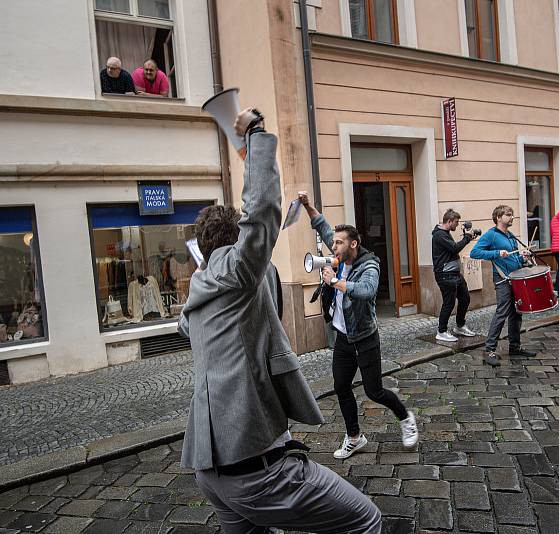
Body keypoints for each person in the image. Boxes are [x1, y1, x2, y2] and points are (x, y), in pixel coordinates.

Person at [180, 109, 381, 533]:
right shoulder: (237, 272)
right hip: (256, 468)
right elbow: (262, 212)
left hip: (210, 470)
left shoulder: (197, 297)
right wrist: (256, 137)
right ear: (237, 246)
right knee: (366, 519)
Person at [299, 191, 418, 460]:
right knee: (341, 386)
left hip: (365, 337)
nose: (333, 245)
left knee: (374, 391)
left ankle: (405, 417)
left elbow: (366, 290)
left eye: (339, 242)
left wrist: (335, 282)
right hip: (343, 337)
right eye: (334, 242)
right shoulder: (339, 255)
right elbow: (322, 225)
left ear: (353, 244)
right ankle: (354, 437)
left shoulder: (370, 265)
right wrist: (308, 206)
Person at [470, 204, 537, 367]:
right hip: (502, 280)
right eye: (508, 214)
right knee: (502, 313)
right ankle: (489, 350)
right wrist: (496, 253)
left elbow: (513, 258)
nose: (512, 217)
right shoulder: (491, 235)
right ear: (498, 217)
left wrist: (523, 258)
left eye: (512, 214)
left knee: (517, 313)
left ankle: (515, 346)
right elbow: (475, 252)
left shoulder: (511, 235)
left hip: (515, 278)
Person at [431, 209, 477, 342]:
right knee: (449, 303)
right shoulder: (439, 235)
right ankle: (441, 331)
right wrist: (467, 237)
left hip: (454, 274)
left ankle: (460, 326)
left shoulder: (445, 233)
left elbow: (452, 249)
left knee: (465, 298)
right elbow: (455, 248)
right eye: (456, 222)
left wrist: (466, 238)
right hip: (445, 275)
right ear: (449, 221)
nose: (457, 225)